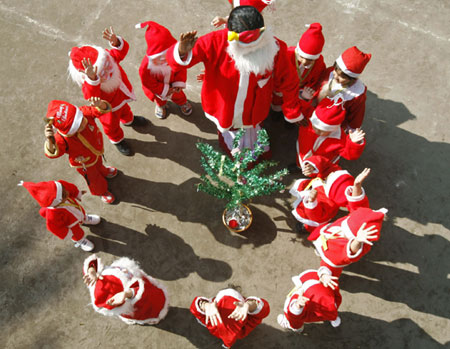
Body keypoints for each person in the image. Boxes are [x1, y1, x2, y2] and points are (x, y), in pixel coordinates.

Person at [167, 5, 305, 157]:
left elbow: (289, 80)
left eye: (256, 44)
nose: (252, 50)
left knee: (253, 128)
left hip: (255, 106)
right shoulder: (214, 41)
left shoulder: (275, 47)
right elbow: (177, 64)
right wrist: (181, 51)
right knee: (230, 131)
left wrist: (292, 110)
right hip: (224, 106)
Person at [68, 27, 148, 156]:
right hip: (108, 109)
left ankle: (129, 120)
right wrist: (92, 79)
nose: (108, 70)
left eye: (106, 65)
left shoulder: (108, 59)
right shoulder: (89, 83)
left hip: (121, 98)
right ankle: (117, 140)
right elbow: (91, 96)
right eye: (102, 72)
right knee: (111, 126)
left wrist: (116, 42)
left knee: (126, 111)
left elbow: (120, 53)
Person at [44, 97, 117, 204]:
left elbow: (100, 110)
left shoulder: (83, 112)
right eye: (77, 126)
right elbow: (53, 153)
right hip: (84, 163)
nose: (83, 124)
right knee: (93, 179)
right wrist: (50, 140)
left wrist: (100, 104)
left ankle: (103, 171)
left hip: (96, 149)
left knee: (99, 163)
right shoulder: (61, 138)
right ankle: (101, 191)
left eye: (81, 119)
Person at [83, 254, 169, 325]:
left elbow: (91, 263)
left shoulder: (97, 280)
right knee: (154, 309)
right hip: (146, 306)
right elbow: (141, 292)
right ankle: (153, 318)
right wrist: (127, 294)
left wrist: (91, 270)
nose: (125, 271)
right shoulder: (137, 300)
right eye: (125, 273)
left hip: (136, 293)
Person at [292, 99, 366, 177]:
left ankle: (314, 178)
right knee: (300, 160)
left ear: (333, 129)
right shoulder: (310, 116)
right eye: (315, 127)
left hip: (321, 165)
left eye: (322, 131)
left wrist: (354, 143)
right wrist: (304, 98)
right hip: (303, 151)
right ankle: (299, 166)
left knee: (318, 174)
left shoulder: (339, 139)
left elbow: (349, 155)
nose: (317, 131)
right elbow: (300, 105)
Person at [19, 179, 97, 251]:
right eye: (63, 195)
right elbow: (54, 227)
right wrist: (67, 233)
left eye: (64, 190)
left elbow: (69, 187)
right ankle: (80, 241)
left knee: (81, 213)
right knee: (77, 233)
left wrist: (77, 193)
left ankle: (84, 219)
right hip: (71, 224)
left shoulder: (61, 188)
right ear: (55, 202)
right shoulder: (52, 214)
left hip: (76, 210)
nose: (67, 192)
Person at [136, 21, 192, 119]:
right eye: (164, 55)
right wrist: (164, 90)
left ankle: (182, 103)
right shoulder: (146, 67)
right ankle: (161, 105)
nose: (169, 57)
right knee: (159, 99)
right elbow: (148, 83)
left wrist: (178, 83)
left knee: (179, 96)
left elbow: (181, 68)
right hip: (158, 90)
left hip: (173, 84)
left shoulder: (175, 56)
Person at [309, 207, 387, 277]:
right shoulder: (352, 219)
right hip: (323, 240)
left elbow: (351, 251)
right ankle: (319, 251)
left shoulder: (359, 244)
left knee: (330, 269)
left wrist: (357, 241)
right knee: (320, 251)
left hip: (331, 255)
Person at [290, 168, 370, 234]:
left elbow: (316, 216)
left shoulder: (328, 204)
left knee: (314, 224)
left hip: (311, 213)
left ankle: (307, 228)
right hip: (311, 196)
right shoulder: (329, 186)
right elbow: (327, 166)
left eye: (333, 176)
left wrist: (312, 202)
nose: (331, 173)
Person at [272, 22, 326, 114]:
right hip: (282, 89)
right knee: (277, 107)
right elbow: (277, 73)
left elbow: (315, 80)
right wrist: (279, 88)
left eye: (310, 60)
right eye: (302, 57)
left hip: (300, 93)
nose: (305, 62)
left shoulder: (319, 63)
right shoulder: (287, 54)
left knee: (294, 110)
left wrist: (306, 93)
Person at [313, 46, 371, 131]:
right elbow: (317, 87)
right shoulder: (330, 72)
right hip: (318, 113)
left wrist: (352, 130)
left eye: (342, 77)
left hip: (335, 123)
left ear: (352, 78)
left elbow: (356, 115)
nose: (336, 76)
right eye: (335, 71)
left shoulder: (356, 95)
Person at [190, 288, 270, 348]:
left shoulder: (209, 320)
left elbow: (195, 308)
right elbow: (263, 310)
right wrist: (206, 306)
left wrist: (205, 306)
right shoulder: (248, 323)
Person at [277, 268, 341, 332]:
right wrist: (297, 306)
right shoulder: (301, 299)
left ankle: (297, 328)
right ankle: (296, 327)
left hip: (308, 309)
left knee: (295, 320)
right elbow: (293, 314)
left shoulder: (327, 281)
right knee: (295, 321)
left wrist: (324, 274)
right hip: (304, 308)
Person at [211, 0, 277, 28]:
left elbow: (244, 19)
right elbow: (238, 16)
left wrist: (225, 20)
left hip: (251, 35)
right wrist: (224, 20)